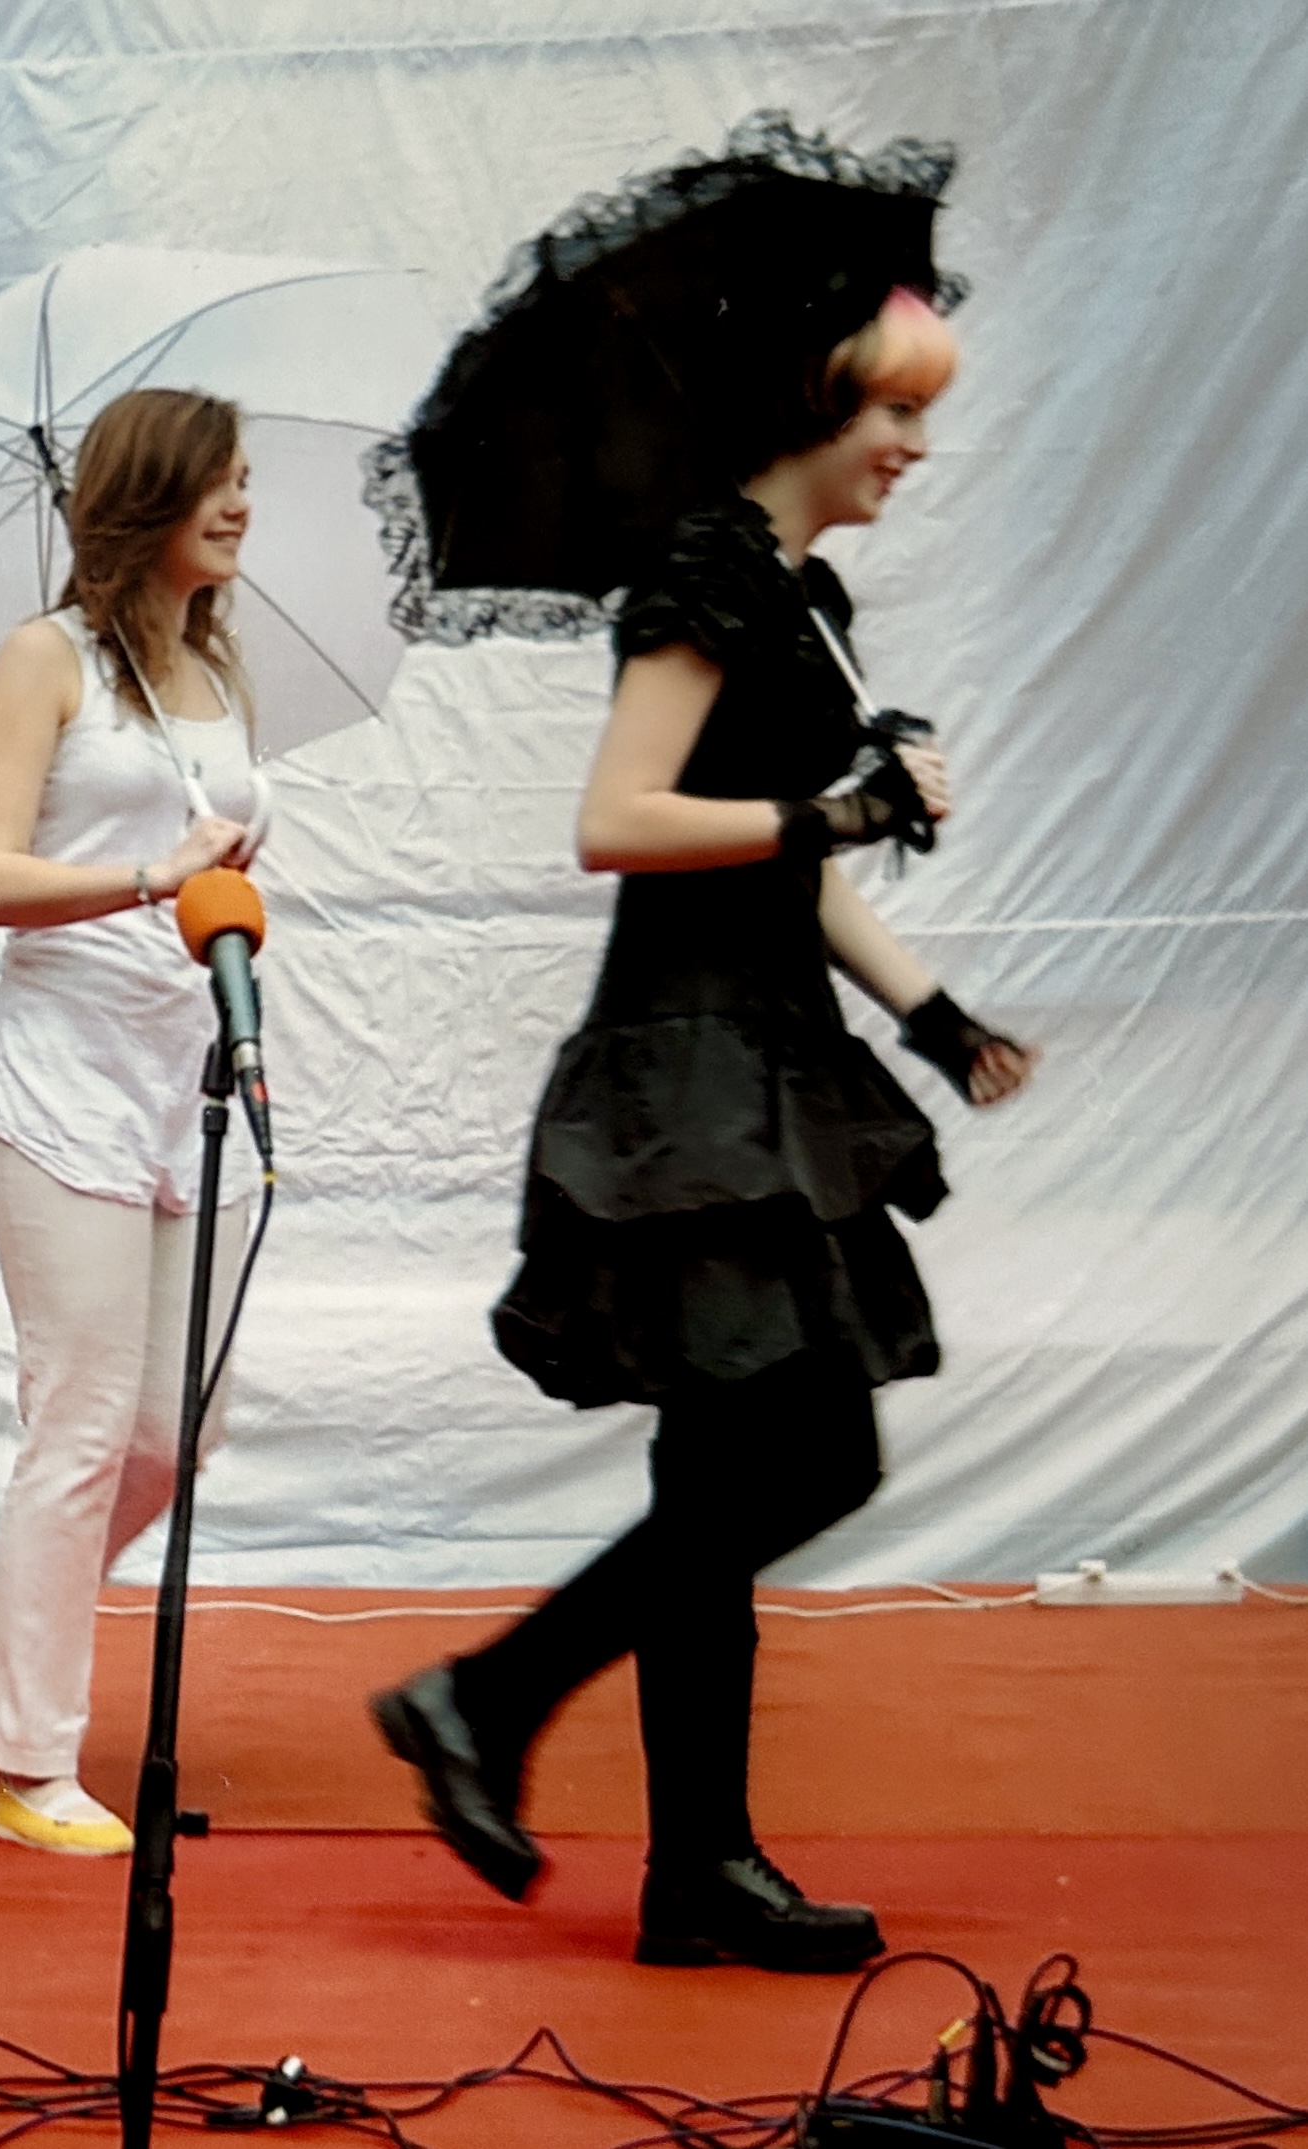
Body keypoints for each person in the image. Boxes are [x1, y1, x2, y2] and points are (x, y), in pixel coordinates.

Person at [373, 287, 1037, 1969]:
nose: (913, 445)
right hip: (691, 1072)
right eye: (893, 409)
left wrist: (933, 1017)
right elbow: (617, 819)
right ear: (807, 403)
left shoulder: (802, 596)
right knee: (804, 1455)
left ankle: (692, 1868)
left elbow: (792, 865)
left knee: (731, 1466)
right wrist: (838, 804)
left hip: (768, 1057)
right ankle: (487, 1698)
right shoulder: (706, 569)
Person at [0, 388, 269, 1854]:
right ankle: (31, 1766)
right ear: (150, 494)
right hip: (61, 1074)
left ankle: (20, 1603)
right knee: (79, 1416)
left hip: (181, 1065)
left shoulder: (216, 667)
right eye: (217, 479)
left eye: (247, 478)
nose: (242, 503)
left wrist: (221, 892)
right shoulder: (46, 657)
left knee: (176, 1424)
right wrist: (151, 877)